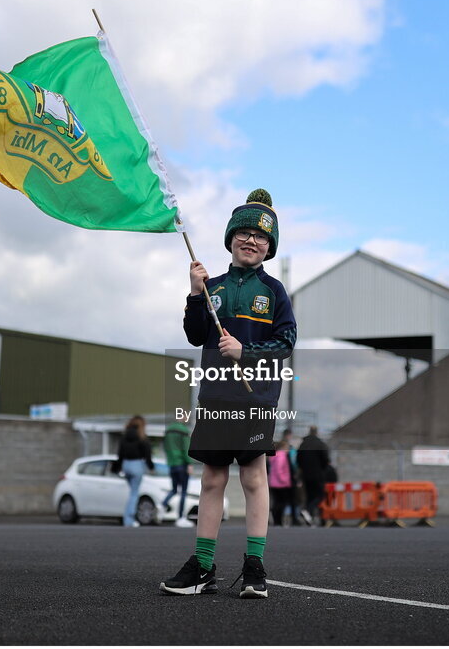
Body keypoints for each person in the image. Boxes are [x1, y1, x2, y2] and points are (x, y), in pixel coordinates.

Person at [159, 189, 297, 599]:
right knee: (213, 480)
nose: (251, 240)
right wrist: (192, 292)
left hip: (255, 401)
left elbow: (287, 341)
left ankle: (255, 567)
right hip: (216, 400)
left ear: (269, 246)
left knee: (254, 479)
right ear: (231, 238)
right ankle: (202, 567)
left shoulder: (274, 292)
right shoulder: (211, 286)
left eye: (261, 236)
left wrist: (245, 350)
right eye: (245, 232)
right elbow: (196, 334)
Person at [114, 415, 154, 527]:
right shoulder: (141, 437)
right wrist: (151, 467)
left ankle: (128, 517)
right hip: (137, 464)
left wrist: (117, 467)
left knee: (132, 492)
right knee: (134, 493)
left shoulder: (124, 436)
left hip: (126, 464)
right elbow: (147, 454)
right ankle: (129, 519)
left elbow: (120, 454)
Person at [162, 410, 194, 528]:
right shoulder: (183, 431)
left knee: (174, 490)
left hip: (172, 464)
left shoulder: (168, 430)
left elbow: (165, 447)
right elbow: (186, 449)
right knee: (183, 492)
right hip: (182, 464)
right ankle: (181, 517)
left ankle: (163, 504)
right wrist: (189, 463)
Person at [296, 425, 330, 525]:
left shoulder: (303, 444)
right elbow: (325, 459)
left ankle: (308, 516)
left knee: (310, 496)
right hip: (318, 474)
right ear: (316, 432)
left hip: (305, 475)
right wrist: (322, 469)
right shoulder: (320, 444)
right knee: (320, 495)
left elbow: (298, 460)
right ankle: (307, 510)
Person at [267, 439, 296, 526]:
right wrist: (284, 480)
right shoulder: (282, 456)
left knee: (276, 502)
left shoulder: (274, 456)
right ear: (283, 447)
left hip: (273, 483)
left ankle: (276, 520)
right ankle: (278, 521)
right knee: (282, 502)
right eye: (287, 447)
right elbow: (280, 470)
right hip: (282, 483)